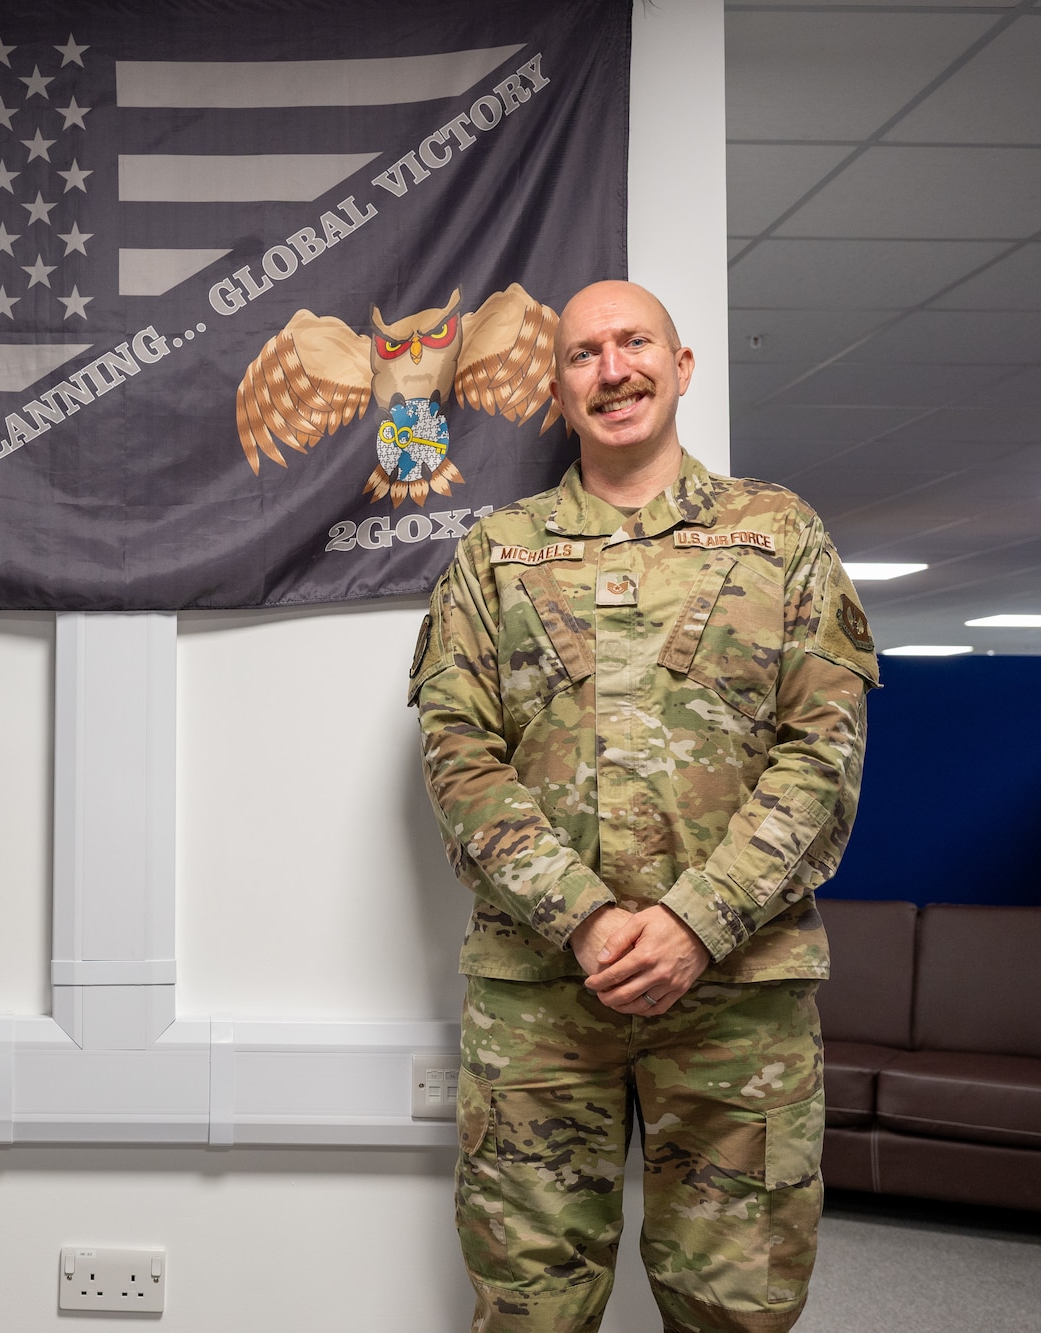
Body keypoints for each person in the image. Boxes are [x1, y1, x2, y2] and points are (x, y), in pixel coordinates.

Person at [409, 281, 875, 1333]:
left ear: (680, 365)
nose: (611, 369)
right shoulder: (495, 552)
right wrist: (580, 915)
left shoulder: (777, 535)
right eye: (582, 354)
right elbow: (457, 756)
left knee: (735, 1311)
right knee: (528, 1307)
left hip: (735, 1002)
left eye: (632, 344)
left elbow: (821, 754)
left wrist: (692, 920)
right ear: (559, 389)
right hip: (539, 1000)